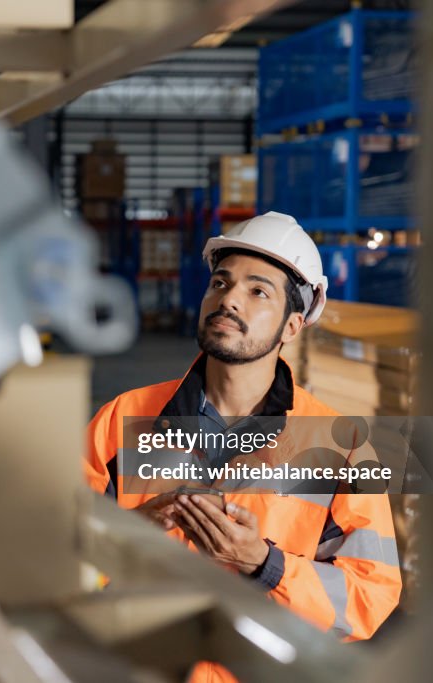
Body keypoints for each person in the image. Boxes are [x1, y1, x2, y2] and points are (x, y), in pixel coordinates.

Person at [85, 212, 401, 682]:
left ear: (292, 327)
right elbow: (51, 557)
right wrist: (128, 538)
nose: (229, 298)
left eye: (258, 291)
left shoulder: (344, 446)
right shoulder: (122, 420)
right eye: (220, 282)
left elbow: (368, 596)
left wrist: (265, 564)